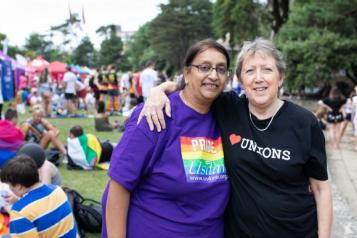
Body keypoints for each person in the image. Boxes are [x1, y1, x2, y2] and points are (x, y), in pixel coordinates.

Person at [141, 38, 332, 238]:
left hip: (297, 232)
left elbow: (321, 188)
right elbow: (194, 87)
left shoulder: (304, 122)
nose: (258, 78)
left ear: (280, 77)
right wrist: (159, 90)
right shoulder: (227, 107)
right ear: (240, 81)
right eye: (250, 71)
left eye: (267, 69)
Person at [102, 39, 231, 238]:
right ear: (187, 73)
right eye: (204, 67)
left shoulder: (227, 114)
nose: (213, 75)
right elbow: (118, 187)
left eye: (221, 69)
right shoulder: (156, 114)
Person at [0, 155, 78, 237]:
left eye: (9, 185)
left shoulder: (19, 212)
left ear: (19, 186)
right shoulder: (57, 190)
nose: (9, 188)